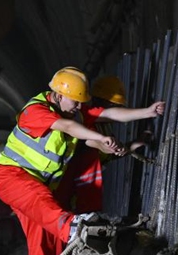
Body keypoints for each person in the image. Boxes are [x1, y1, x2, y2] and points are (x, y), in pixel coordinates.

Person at [0, 66, 125, 255]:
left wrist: (148, 113)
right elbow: (72, 129)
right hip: (12, 176)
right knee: (40, 199)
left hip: (40, 182)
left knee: (42, 232)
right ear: (59, 95)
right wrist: (99, 138)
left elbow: (108, 121)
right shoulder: (38, 112)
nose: (79, 106)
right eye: (75, 101)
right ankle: (72, 227)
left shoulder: (76, 118)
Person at [57, 75, 162, 214]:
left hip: (83, 195)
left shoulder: (104, 127)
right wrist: (104, 145)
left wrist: (132, 145)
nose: (116, 108)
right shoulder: (86, 121)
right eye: (113, 105)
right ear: (99, 101)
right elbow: (91, 144)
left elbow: (106, 155)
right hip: (72, 190)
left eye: (117, 106)